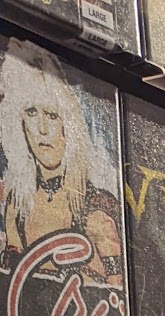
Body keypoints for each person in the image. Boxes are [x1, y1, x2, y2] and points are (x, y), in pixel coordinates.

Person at [0, 40, 120, 278]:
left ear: (68, 123)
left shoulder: (95, 208)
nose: (42, 129)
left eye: (52, 115)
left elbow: (116, 289)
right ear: (20, 122)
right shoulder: (17, 202)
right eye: (31, 113)